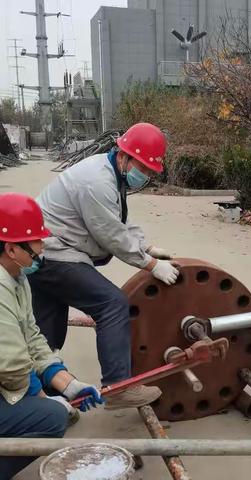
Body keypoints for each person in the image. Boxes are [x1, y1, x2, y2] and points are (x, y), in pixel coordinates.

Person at [28, 122, 178, 410]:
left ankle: (44, 397)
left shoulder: (110, 172)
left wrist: (145, 245)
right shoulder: (95, 181)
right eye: (143, 168)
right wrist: (149, 265)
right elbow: (109, 233)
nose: (144, 176)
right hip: (56, 254)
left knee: (47, 332)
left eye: (149, 171)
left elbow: (117, 219)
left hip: (46, 252)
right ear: (124, 155)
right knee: (112, 304)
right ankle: (117, 386)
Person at [0, 192, 103, 480]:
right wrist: (42, 396)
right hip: (3, 372)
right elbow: (10, 365)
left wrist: (68, 385)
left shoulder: (17, 277)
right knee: (52, 418)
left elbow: (32, 337)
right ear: (11, 249)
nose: (42, 245)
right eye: (35, 240)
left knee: (55, 394)